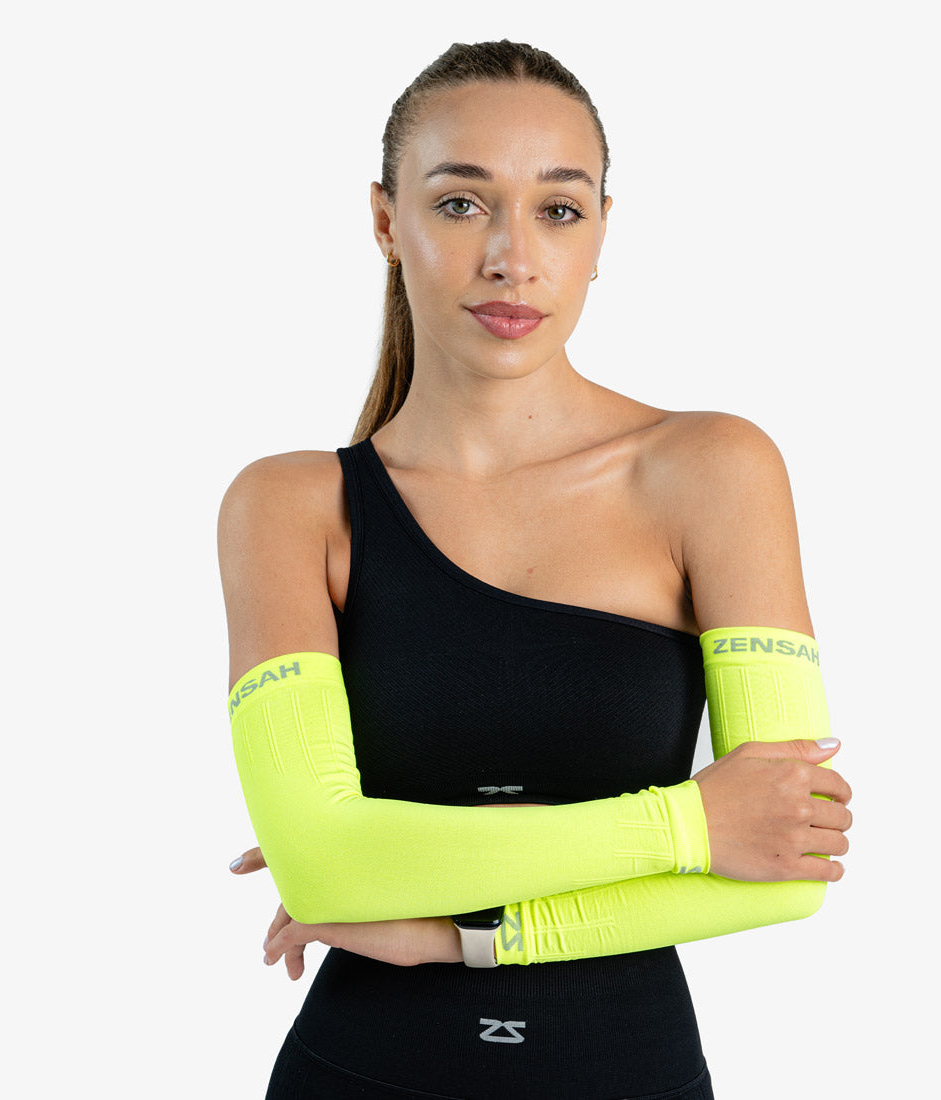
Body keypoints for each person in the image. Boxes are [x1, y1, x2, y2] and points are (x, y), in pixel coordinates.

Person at [219, 39, 853, 1100]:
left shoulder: (713, 471)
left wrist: (450, 931)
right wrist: (689, 823)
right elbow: (325, 863)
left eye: (557, 209)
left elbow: (788, 869)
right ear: (385, 221)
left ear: (602, 229)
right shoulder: (289, 506)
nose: (513, 258)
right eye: (461, 204)